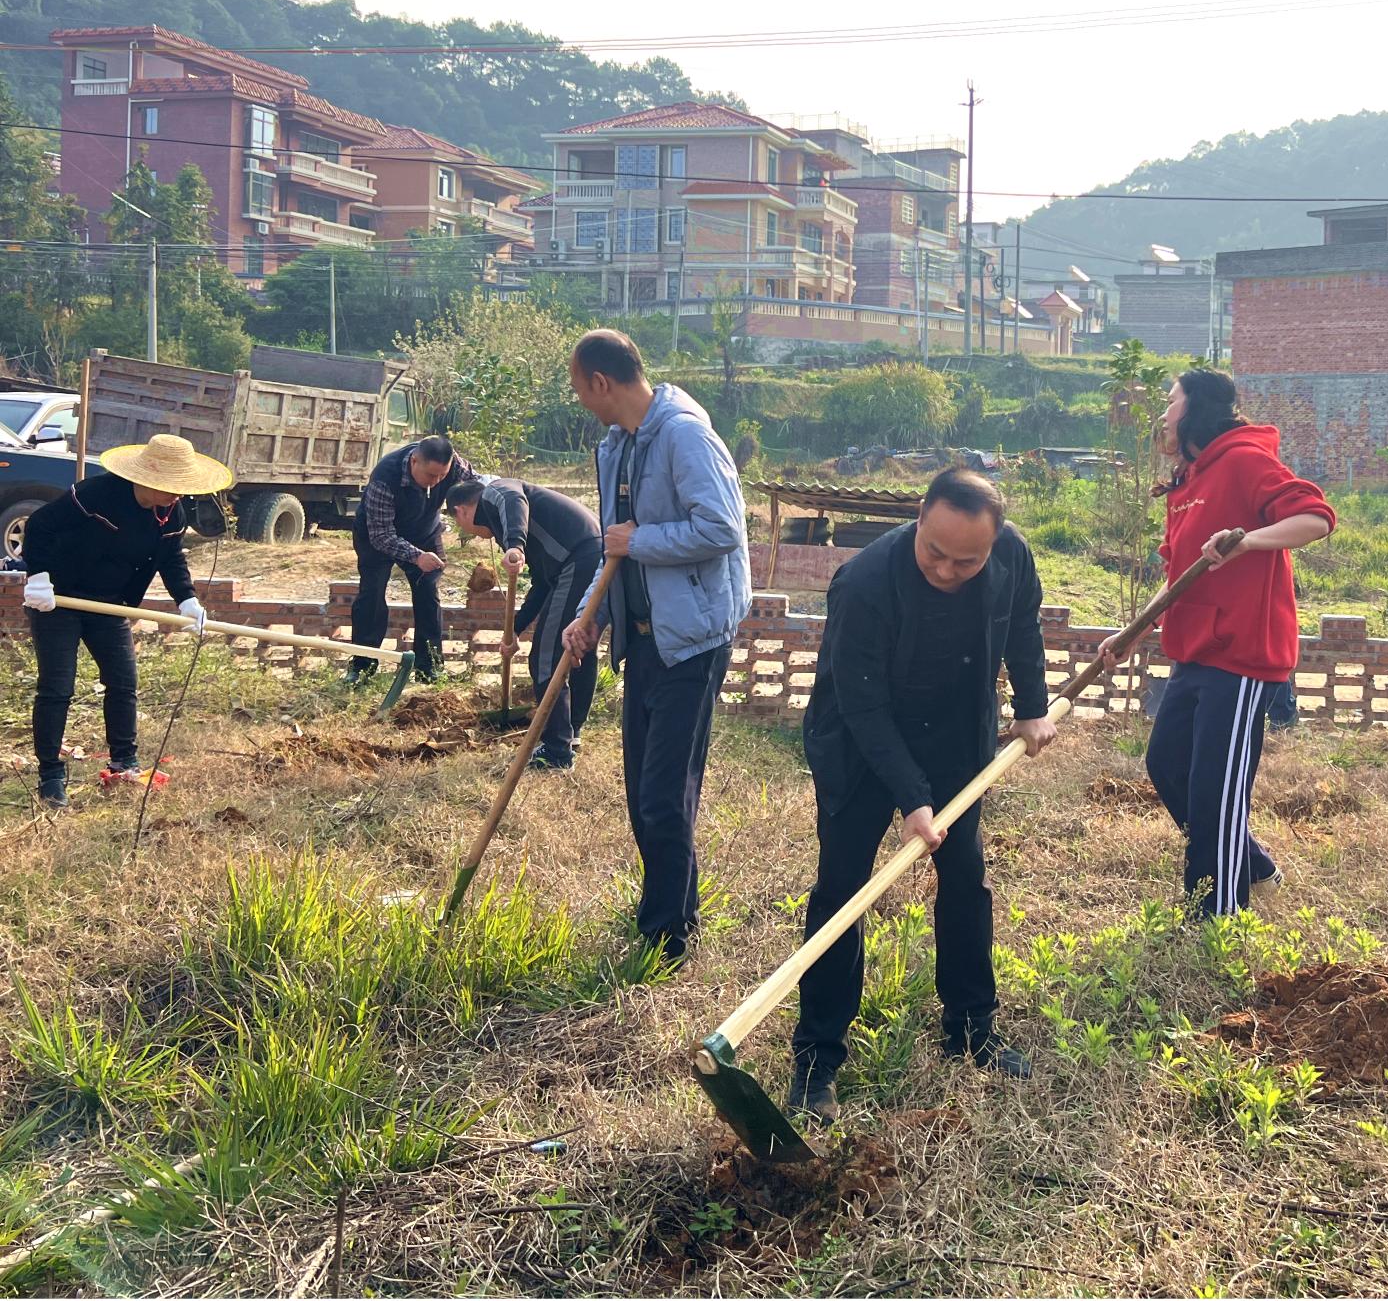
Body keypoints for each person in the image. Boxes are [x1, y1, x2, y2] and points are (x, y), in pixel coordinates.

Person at [788, 467, 1057, 1122]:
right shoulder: (865, 584)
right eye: (934, 550)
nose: (945, 568)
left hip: (956, 736)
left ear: (994, 542)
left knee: (965, 876)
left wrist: (1032, 705)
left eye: (966, 559)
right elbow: (864, 705)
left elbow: (1023, 624)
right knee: (843, 889)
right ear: (919, 515)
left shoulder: (1012, 556)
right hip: (859, 742)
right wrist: (912, 798)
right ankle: (818, 1054)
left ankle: (971, 1027)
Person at [1104, 368, 1334, 917]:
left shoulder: (1243, 459)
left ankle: (1217, 915)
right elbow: (1179, 573)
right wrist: (1136, 630)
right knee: (1166, 764)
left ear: (1197, 408)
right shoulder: (1187, 483)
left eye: (1171, 401)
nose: (1163, 413)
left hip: (1241, 653)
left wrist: (1247, 542)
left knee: (1216, 787)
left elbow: (1316, 517)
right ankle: (1252, 865)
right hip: (1194, 650)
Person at [561, 329, 750, 961]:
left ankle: (668, 935)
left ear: (601, 383)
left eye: (579, 388)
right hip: (643, 639)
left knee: (666, 791)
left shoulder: (684, 435)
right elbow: (617, 546)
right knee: (642, 788)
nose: (581, 400)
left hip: (691, 638)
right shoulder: (617, 446)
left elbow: (720, 527)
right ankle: (668, 907)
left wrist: (637, 541)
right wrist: (591, 616)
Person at [19, 434, 231, 807]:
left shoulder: (172, 513)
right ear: (145, 478)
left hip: (109, 604)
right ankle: (50, 775)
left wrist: (187, 600)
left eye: (181, 488)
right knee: (58, 687)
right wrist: (38, 576)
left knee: (122, 682)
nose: (176, 495)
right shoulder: (96, 494)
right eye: (169, 487)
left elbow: (171, 559)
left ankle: (124, 763)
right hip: (59, 600)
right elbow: (39, 526)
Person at [447, 476, 603, 771]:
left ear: (461, 511)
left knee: (544, 658)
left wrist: (514, 546)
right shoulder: (539, 535)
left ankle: (557, 751)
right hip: (589, 559)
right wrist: (514, 630)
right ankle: (570, 735)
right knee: (578, 649)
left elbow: (512, 499)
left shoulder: (496, 491)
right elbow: (544, 584)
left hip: (580, 559)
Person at [348, 435, 475, 683]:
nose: (437, 482)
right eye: (431, 476)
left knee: (428, 591)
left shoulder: (455, 465)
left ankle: (429, 668)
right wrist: (416, 557)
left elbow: (477, 488)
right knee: (371, 594)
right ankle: (362, 668)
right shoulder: (385, 477)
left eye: (442, 476)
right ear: (414, 461)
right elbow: (382, 535)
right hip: (377, 534)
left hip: (424, 532)